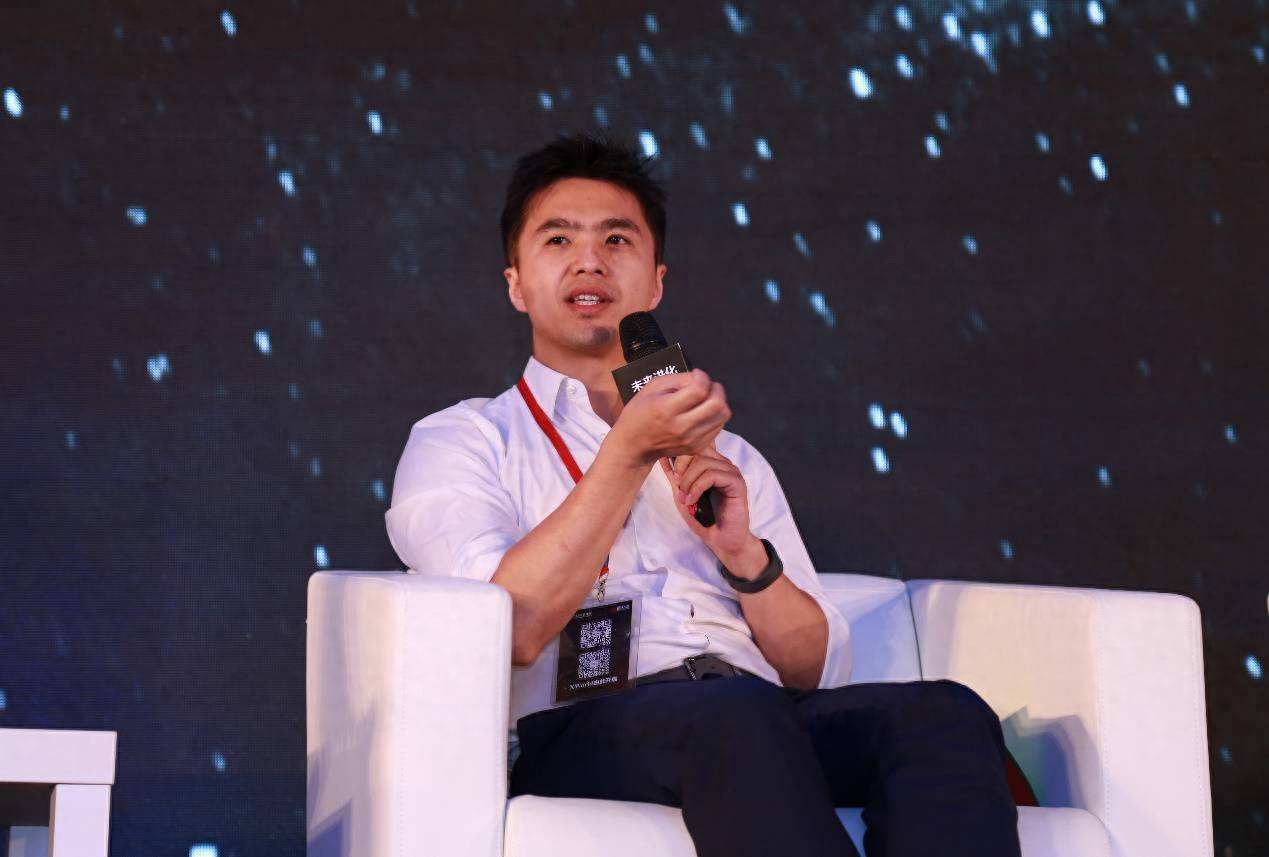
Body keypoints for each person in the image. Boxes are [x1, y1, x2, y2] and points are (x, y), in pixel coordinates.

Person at [385, 132, 1021, 857]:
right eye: (558, 239)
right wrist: (628, 451)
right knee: (734, 715)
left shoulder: (728, 454)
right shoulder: (464, 438)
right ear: (516, 284)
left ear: (655, 283)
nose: (590, 260)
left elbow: (812, 670)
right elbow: (510, 629)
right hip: (581, 729)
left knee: (941, 713)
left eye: (616, 239)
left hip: (755, 716)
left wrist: (746, 558)